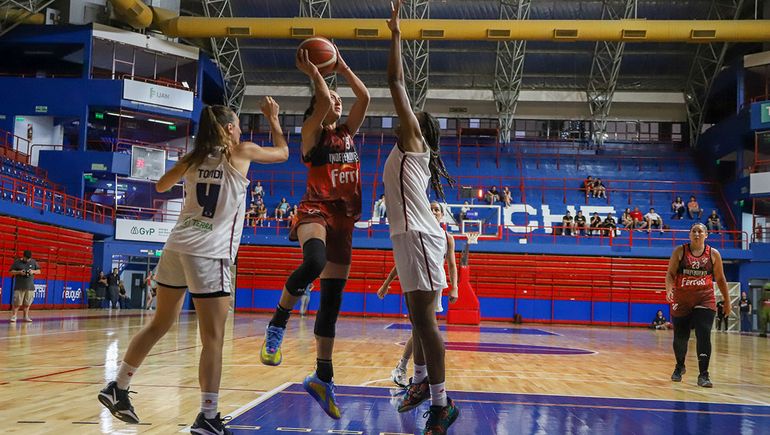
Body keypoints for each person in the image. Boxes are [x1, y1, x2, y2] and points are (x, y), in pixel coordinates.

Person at [97, 98, 289, 433]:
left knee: (160, 322)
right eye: (239, 125)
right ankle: (208, 417)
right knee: (213, 338)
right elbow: (283, 153)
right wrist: (273, 120)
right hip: (210, 252)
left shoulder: (194, 156)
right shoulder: (240, 152)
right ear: (229, 129)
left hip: (176, 245)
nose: (242, 130)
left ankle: (119, 387)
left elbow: (160, 185)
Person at [259, 41, 370, 421]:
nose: (337, 102)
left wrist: (342, 66)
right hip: (314, 210)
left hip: (344, 218)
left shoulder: (347, 132)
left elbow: (365, 97)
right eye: (332, 100)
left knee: (332, 303)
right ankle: (278, 322)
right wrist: (317, 73)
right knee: (314, 261)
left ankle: (323, 376)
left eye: (339, 100)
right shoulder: (312, 133)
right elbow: (322, 98)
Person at [383, 4, 460, 431]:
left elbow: (395, 80)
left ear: (417, 125)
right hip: (406, 236)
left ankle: (441, 403)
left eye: (407, 116)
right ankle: (420, 382)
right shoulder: (400, 152)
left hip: (420, 237)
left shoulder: (413, 141)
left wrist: (396, 33)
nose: (399, 119)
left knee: (425, 322)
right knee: (418, 319)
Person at [378, 202, 458, 388]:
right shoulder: (416, 234)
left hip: (435, 285)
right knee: (423, 328)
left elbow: (452, 265)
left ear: (442, 215)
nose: (433, 212)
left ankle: (407, 369)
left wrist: (455, 287)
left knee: (423, 329)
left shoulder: (447, 238)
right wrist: (386, 284)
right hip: (418, 282)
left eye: (437, 210)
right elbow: (401, 262)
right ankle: (409, 371)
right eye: (430, 209)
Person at [666, 223, 731, 388]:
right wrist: (669, 290)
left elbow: (721, 279)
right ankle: (680, 365)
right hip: (682, 298)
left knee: (704, 334)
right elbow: (670, 274)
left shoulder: (713, 254)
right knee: (681, 337)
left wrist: (727, 301)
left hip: (705, 298)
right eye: (693, 231)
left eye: (700, 231)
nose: (696, 233)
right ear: (689, 235)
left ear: (706, 235)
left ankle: (703, 374)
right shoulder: (680, 251)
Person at [9, 249, 40, 322]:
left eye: (29, 258)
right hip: (19, 286)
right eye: (27, 258)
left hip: (30, 287)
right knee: (17, 303)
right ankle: (14, 316)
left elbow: (39, 271)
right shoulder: (17, 262)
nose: (28, 260)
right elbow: (11, 272)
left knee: (27, 303)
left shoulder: (33, 262)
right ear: (23, 256)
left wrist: (33, 271)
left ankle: (25, 316)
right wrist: (19, 272)